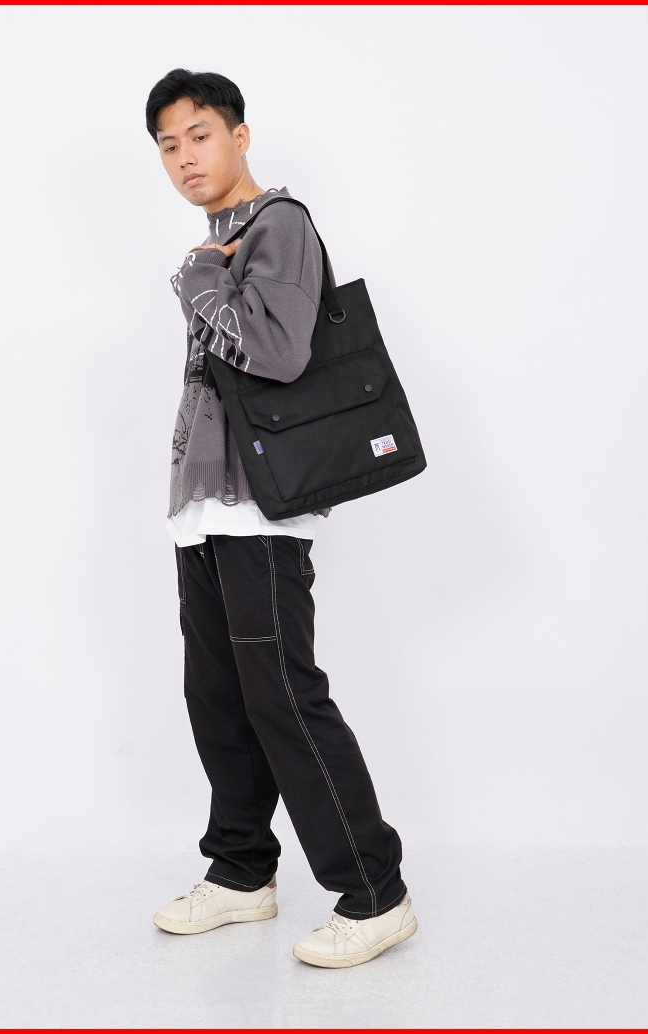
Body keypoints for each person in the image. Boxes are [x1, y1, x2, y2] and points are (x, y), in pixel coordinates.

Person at [145, 68, 417, 969]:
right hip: (205, 509)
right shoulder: (220, 241)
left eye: (200, 135)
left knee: (285, 698)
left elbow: (277, 350)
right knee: (219, 699)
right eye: (169, 145)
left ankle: (375, 892)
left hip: (259, 512)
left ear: (241, 135)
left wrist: (197, 277)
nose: (186, 158)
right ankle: (240, 872)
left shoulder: (280, 225)